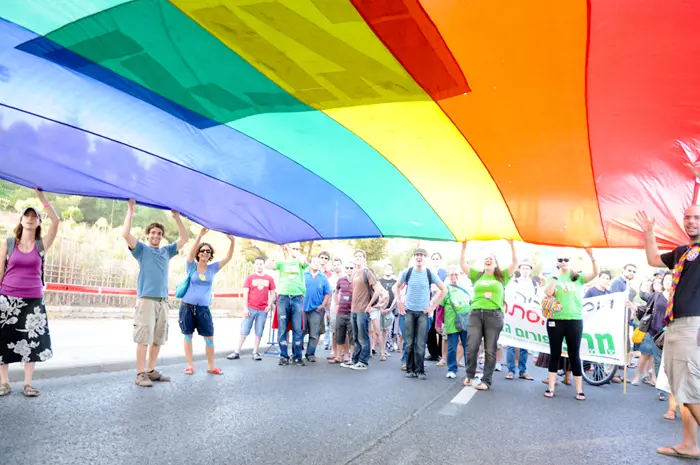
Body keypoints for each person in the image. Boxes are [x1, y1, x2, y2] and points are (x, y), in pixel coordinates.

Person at [636, 164, 700, 460]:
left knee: (690, 386)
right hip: (675, 325)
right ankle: (689, 444)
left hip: (693, 325)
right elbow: (651, 258)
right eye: (688, 217)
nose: (691, 221)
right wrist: (649, 232)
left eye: (697, 217)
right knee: (680, 387)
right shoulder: (682, 252)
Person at [122, 199, 189, 387]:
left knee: (158, 339)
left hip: (163, 301)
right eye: (153, 233)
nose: (156, 236)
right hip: (146, 301)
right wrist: (130, 210)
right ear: (148, 235)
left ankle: (151, 371)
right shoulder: (141, 250)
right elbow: (125, 233)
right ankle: (140, 374)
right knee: (144, 338)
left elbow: (184, 239)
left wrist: (176, 218)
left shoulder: (166, 251)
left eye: (159, 234)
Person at [0, 189, 59, 397]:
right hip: (7, 298)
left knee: (32, 342)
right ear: (21, 219)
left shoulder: (41, 244)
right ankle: (4, 382)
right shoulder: (8, 243)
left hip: (33, 300)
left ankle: (27, 384)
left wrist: (42, 198)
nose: (30, 219)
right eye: (27, 215)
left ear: (39, 222)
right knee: (3, 339)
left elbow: (57, 220)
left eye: (35, 216)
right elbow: (0, 272)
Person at [460, 240, 517, 391]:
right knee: (471, 346)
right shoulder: (477, 275)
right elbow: (463, 265)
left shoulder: (502, 276)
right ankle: (470, 375)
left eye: (491, 258)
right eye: (486, 258)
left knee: (490, 349)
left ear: (496, 264)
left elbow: (515, 262)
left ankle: (486, 381)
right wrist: (464, 247)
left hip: (494, 315)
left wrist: (511, 245)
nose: (488, 259)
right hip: (475, 314)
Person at [543, 248, 599, 400]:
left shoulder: (578, 277)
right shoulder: (552, 277)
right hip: (556, 319)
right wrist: (555, 276)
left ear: (571, 261)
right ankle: (551, 388)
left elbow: (595, 274)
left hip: (574, 319)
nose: (563, 262)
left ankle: (579, 390)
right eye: (560, 260)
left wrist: (592, 257)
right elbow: (548, 293)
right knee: (554, 353)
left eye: (566, 259)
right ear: (557, 262)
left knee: (574, 355)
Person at [180, 228, 234, 375]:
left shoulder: (212, 269)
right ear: (198, 253)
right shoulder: (191, 266)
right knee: (188, 336)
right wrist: (199, 236)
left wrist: (232, 241)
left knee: (209, 338)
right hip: (187, 307)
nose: (205, 252)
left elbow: (228, 258)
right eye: (202, 250)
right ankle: (190, 365)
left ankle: (211, 366)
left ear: (210, 255)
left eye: (208, 251)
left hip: (203, 309)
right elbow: (190, 252)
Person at [395, 248, 447, 380]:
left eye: (422, 255)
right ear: (414, 258)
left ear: (425, 258)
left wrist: (432, 306)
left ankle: (420, 370)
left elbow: (444, 289)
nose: (419, 257)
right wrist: (399, 302)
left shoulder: (430, 274)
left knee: (420, 342)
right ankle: (410, 369)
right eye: (417, 255)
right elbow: (396, 287)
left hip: (423, 313)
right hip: (409, 312)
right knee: (409, 342)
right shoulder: (407, 272)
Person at [266, 243, 307, 366]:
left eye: (296, 249)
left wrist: (295, 251)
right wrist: (277, 250)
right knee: (282, 328)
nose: (293, 250)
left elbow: (304, 262)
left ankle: (297, 356)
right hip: (283, 298)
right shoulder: (281, 263)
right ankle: (284, 356)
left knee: (297, 328)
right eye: (291, 248)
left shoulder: (300, 262)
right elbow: (268, 264)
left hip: (297, 298)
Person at [228, 256, 276, 361]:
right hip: (250, 308)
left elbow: (272, 293)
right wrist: (245, 308)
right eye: (257, 264)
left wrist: (269, 304)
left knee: (259, 331)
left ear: (264, 265)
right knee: (244, 330)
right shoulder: (250, 278)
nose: (259, 266)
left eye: (261, 264)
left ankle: (255, 352)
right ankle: (237, 351)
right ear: (254, 265)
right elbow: (245, 293)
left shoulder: (269, 279)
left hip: (263, 310)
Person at [347, 250, 382, 370]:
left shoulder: (367, 272)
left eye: (360, 256)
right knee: (356, 337)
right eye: (356, 256)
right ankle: (355, 360)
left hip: (363, 309)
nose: (358, 258)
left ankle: (363, 361)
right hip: (354, 309)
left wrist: (369, 305)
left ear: (364, 259)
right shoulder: (354, 273)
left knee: (363, 337)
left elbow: (377, 290)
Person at [504, 259, 537, 381]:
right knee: (511, 345)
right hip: (514, 316)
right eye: (523, 268)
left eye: (527, 268)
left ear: (530, 270)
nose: (525, 270)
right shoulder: (513, 283)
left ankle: (523, 371)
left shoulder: (534, 284)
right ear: (519, 269)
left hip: (527, 318)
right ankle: (511, 370)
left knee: (525, 345)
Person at [440, 265, 470, 379]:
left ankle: (469, 369)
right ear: (448, 276)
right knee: (452, 347)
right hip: (451, 322)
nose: (454, 277)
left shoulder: (466, 289)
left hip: (465, 322)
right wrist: (439, 323)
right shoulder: (445, 289)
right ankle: (452, 368)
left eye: (456, 274)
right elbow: (440, 308)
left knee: (467, 346)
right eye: (451, 275)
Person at [303, 257, 331, 362]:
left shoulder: (323, 277)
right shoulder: (304, 275)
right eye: (313, 262)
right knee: (299, 333)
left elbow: (327, 293)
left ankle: (310, 354)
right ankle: (297, 354)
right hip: (303, 309)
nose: (316, 264)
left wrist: (323, 305)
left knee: (314, 334)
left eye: (318, 262)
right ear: (309, 264)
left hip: (316, 310)